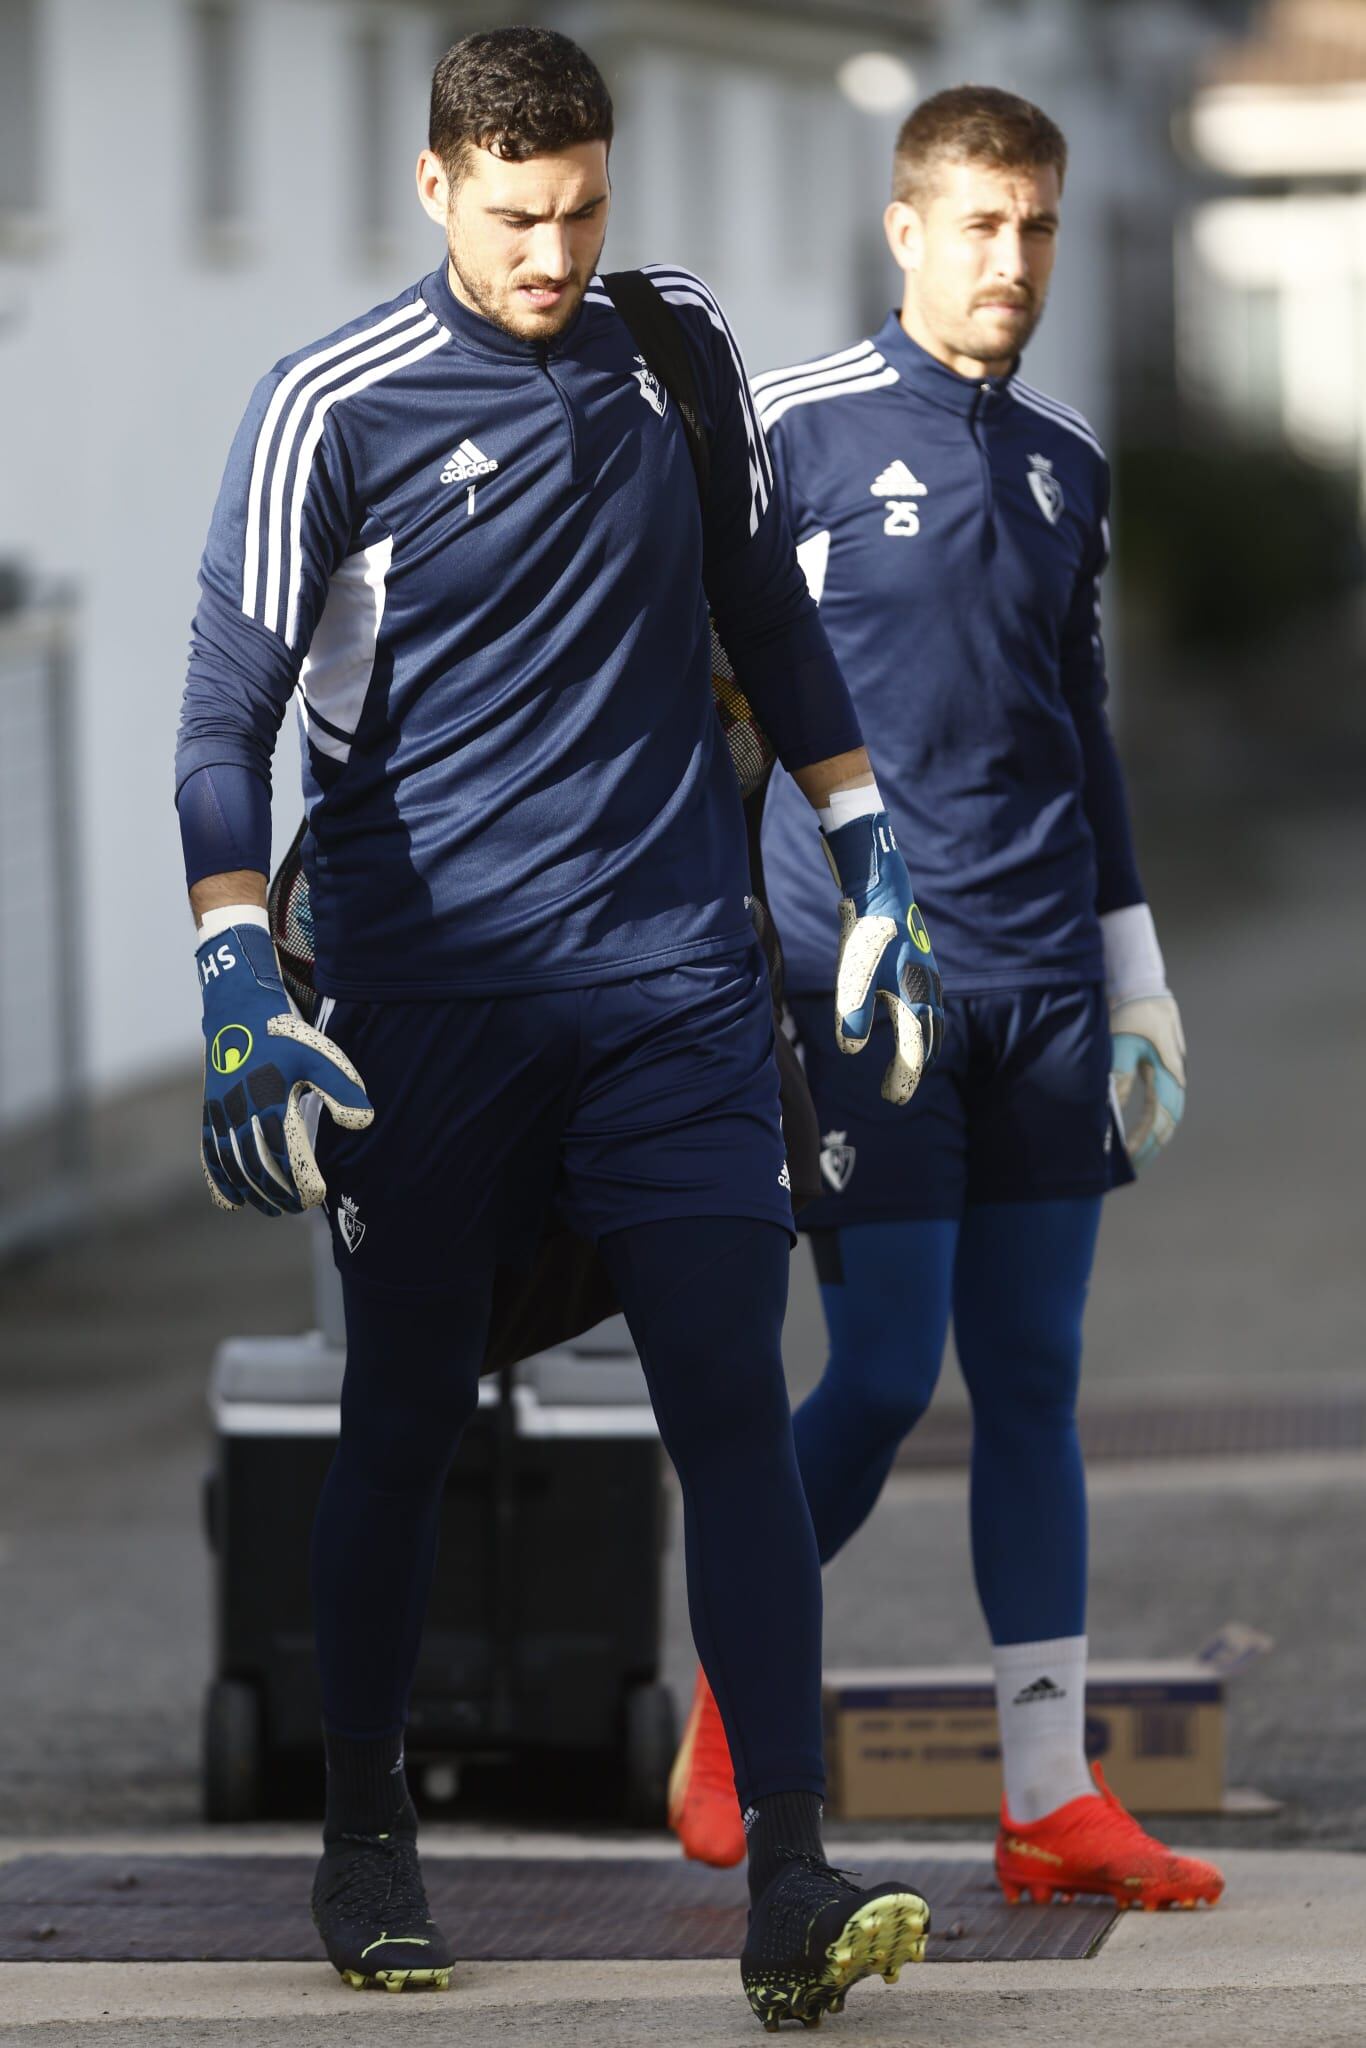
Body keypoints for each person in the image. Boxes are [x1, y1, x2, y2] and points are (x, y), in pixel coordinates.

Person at [174, 25, 946, 2030]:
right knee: (406, 1417)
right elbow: (216, 727)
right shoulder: (323, 408)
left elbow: (765, 615)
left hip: (672, 987)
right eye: (517, 213)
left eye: (583, 206)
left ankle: (789, 1868)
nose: (553, 247)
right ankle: (363, 1838)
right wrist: (239, 969)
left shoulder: (670, 346)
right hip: (424, 1011)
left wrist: (868, 848)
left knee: (723, 1397)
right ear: (434, 188)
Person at [667, 84, 1224, 1916]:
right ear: (903, 228)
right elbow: (711, 737)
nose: (1014, 261)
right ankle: (741, 1704)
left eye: (1040, 227)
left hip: (1048, 986)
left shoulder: (1070, 457)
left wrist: (1135, 978)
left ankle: (1049, 1797)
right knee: (891, 1370)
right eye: (981, 224)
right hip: (862, 984)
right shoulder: (788, 436)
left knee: (1039, 1380)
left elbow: (1086, 734)